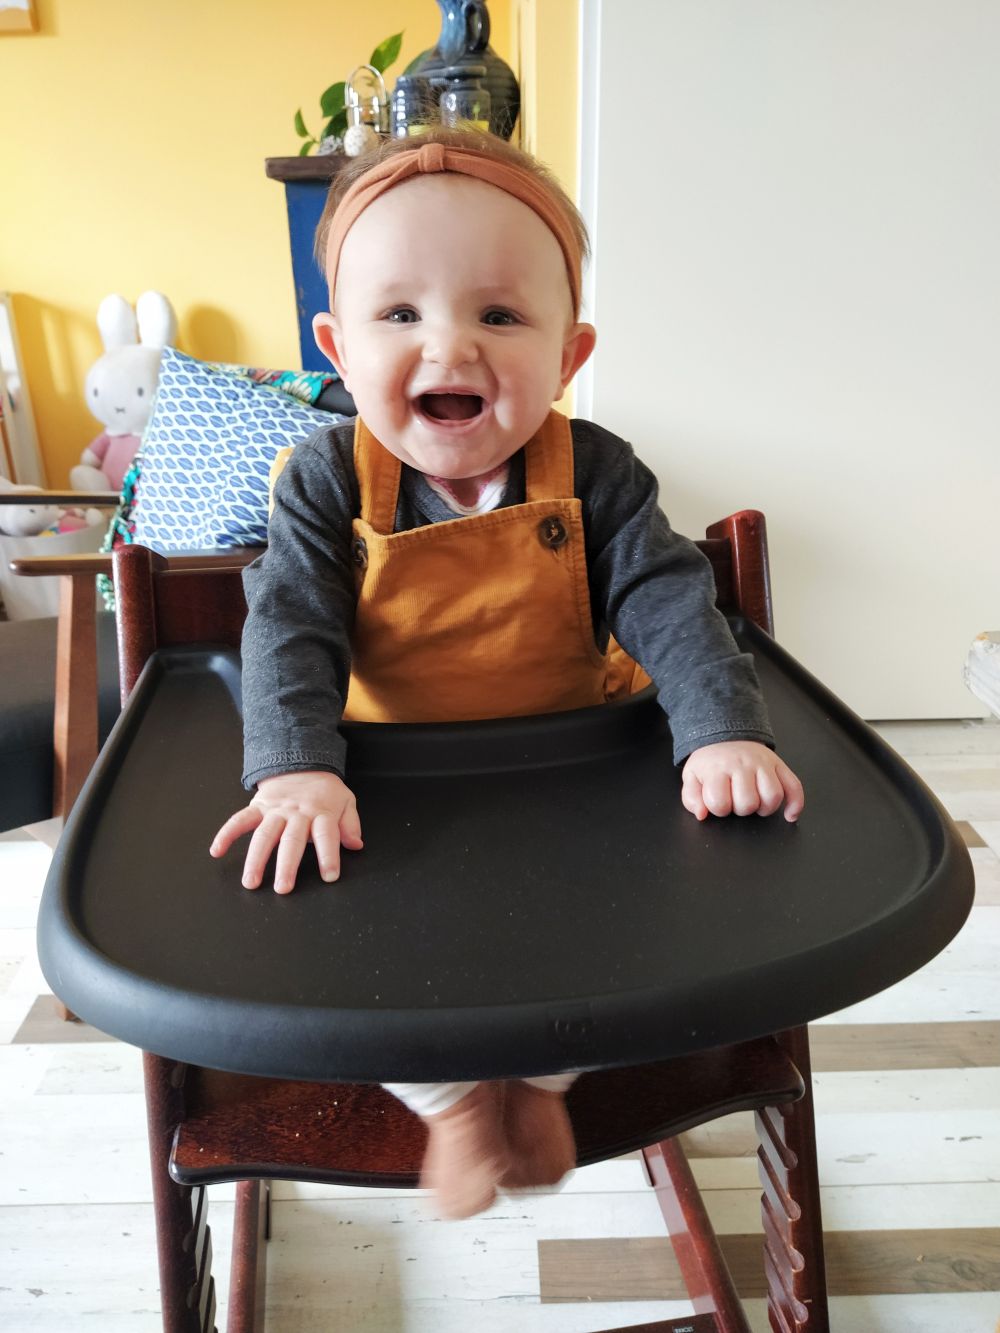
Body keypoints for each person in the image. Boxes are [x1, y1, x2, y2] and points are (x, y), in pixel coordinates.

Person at [210, 126, 804, 1220]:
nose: (450, 346)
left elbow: (671, 601)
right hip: (387, 777)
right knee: (350, 950)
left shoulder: (597, 473)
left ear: (568, 355)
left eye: (498, 315)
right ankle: (447, 1100)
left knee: (621, 933)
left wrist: (723, 729)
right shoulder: (323, 481)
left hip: (570, 773)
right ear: (337, 347)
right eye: (400, 314)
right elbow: (289, 626)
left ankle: (546, 1078)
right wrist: (295, 768)